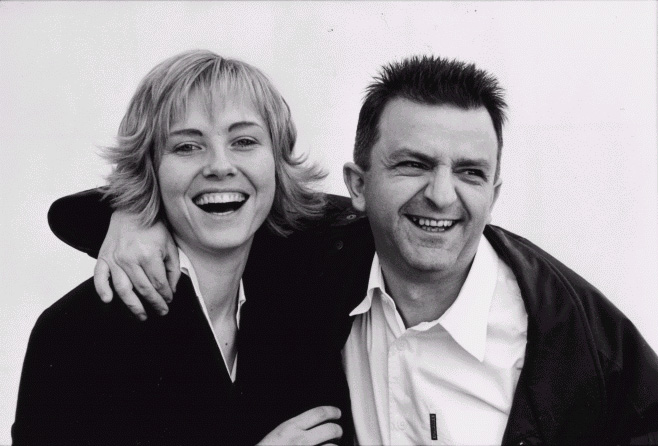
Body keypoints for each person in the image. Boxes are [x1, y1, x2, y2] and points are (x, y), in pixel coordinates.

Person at [46, 55, 658, 445]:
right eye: (413, 164)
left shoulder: (562, 319)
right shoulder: (318, 272)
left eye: (470, 172)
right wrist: (130, 213)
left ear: (495, 193)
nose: (441, 195)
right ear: (358, 186)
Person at [13, 50, 354, 446]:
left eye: (244, 141)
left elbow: (375, 216)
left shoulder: (302, 295)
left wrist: (122, 213)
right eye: (187, 147)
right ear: (149, 168)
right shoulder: (76, 335)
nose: (220, 166)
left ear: (277, 163)